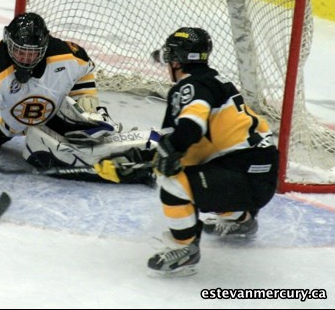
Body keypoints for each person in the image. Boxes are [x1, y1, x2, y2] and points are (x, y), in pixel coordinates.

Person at [95, 27, 279, 276]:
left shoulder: (189, 87)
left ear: (179, 60)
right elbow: (182, 143)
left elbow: (190, 127)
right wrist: (138, 158)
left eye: (170, 56)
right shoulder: (215, 82)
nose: (167, 62)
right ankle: (241, 219)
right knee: (187, 168)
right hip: (259, 174)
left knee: (171, 179)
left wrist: (156, 162)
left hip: (242, 175)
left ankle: (184, 248)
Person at [0, 12, 155, 184]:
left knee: (61, 149)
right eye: (19, 51)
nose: (25, 59)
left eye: (32, 53)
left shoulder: (68, 55)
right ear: (9, 43)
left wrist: (85, 98)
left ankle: (142, 148)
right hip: (3, 120)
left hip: (47, 114)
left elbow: (85, 70)